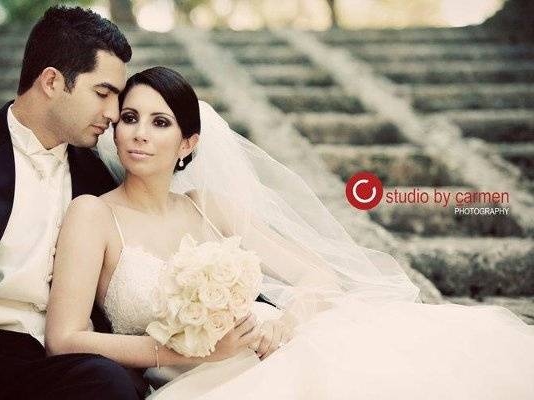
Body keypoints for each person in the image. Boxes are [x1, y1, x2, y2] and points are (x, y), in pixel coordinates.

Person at [46, 65, 534, 400]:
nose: (139, 133)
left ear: (187, 143)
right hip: (195, 383)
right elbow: (65, 339)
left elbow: (317, 274)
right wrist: (179, 350)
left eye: (160, 122)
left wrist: (283, 323)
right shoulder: (92, 214)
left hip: (270, 354)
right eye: (129, 118)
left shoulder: (208, 209)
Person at [0, 6, 148, 399]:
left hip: (50, 362)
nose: (114, 114)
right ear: (51, 81)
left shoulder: (99, 179)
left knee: (109, 385)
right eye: (103, 93)